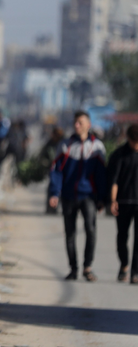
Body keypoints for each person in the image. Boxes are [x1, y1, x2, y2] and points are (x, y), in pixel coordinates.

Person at [48, 111, 108, 282]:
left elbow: (101, 175)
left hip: (88, 196)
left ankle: (87, 267)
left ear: (88, 125)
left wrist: (102, 198)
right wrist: (54, 193)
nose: (77, 125)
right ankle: (73, 268)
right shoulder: (65, 145)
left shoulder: (97, 147)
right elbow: (57, 171)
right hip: (68, 196)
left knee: (90, 230)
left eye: (80, 122)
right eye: (75, 122)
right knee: (70, 234)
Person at [108, 123, 138, 283]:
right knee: (122, 237)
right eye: (135, 143)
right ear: (128, 139)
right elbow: (114, 181)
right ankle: (124, 264)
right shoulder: (119, 155)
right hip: (123, 202)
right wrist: (113, 201)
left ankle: (135, 272)